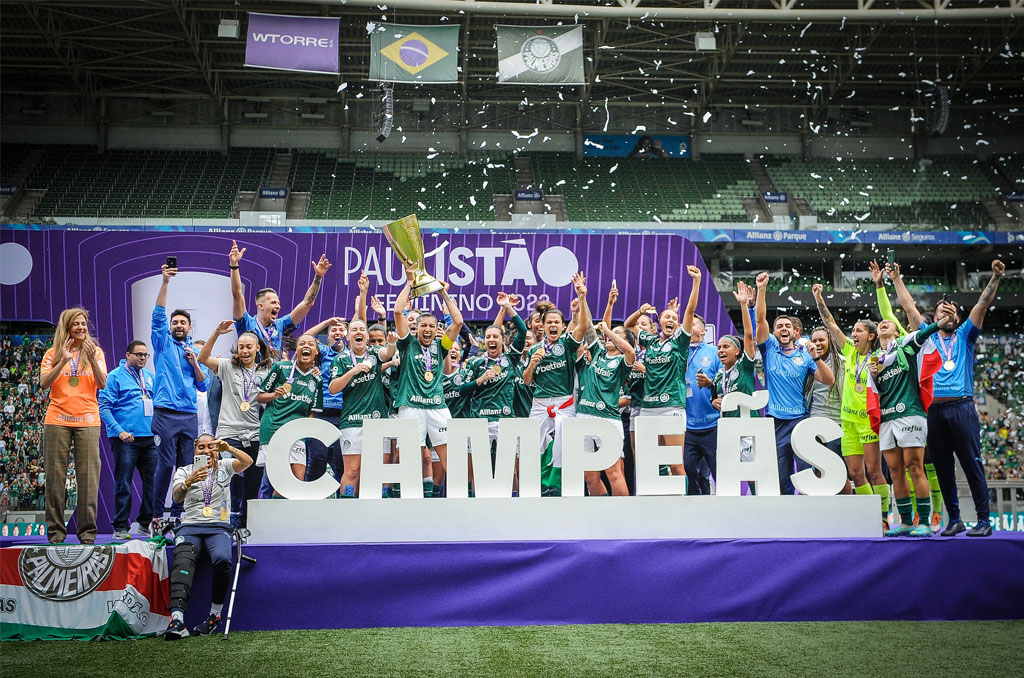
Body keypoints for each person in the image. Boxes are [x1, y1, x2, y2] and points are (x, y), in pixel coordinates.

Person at [889, 259, 1005, 537]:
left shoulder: (965, 334)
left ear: (957, 317)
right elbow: (908, 307)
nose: (948, 312)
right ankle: (955, 520)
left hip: (962, 407)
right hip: (933, 412)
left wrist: (996, 277)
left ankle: (984, 520)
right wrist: (896, 279)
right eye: (943, 310)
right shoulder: (927, 335)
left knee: (971, 462)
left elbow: (982, 305)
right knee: (942, 468)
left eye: (952, 310)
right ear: (936, 316)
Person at [867, 303, 953, 538]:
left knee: (915, 467)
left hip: (910, 414)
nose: (883, 323)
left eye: (889, 323)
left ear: (897, 332)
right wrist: (873, 376)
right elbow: (873, 394)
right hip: (887, 418)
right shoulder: (875, 359)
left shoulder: (905, 346)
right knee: (895, 472)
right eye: (880, 323)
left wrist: (939, 324)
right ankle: (905, 521)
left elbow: (923, 333)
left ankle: (924, 521)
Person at [163, 434, 253, 639]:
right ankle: (177, 620)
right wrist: (188, 482)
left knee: (222, 559)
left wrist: (228, 448)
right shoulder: (185, 470)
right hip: (190, 527)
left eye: (211, 447)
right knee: (183, 563)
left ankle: (214, 616)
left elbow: (248, 462)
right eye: (201, 447)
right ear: (195, 451)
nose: (206, 451)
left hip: (218, 526)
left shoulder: (225, 465)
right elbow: (176, 497)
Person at [755, 272, 835, 495]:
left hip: (800, 420)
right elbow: (760, 319)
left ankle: (808, 516)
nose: (783, 329)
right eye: (779, 326)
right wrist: (762, 289)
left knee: (805, 473)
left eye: (787, 326)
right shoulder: (769, 348)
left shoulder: (805, 355)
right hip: (775, 421)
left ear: (794, 332)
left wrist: (817, 356)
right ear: (774, 332)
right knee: (781, 476)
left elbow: (829, 380)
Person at [624, 266, 703, 482]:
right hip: (648, 409)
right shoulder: (649, 341)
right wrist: (641, 312)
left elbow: (689, 310)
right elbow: (628, 325)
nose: (670, 319)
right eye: (666, 317)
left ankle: (681, 508)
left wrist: (696, 282)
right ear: (659, 322)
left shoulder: (679, 342)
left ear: (677, 325)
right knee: (647, 462)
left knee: (676, 465)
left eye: (674, 318)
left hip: (672, 408)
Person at [391, 265, 464, 497]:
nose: (428, 329)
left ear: (436, 329)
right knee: (411, 459)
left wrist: (442, 293)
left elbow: (459, 321)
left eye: (432, 326)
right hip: (410, 406)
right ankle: (411, 503)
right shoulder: (407, 343)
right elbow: (397, 312)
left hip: (436, 406)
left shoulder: (441, 347)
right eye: (423, 325)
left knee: (450, 457)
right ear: (417, 328)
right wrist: (409, 283)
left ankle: (459, 501)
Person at [814, 284, 888, 506]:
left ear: (871, 336)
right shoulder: (849, 350)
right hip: (847, 422)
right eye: (853, 330)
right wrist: (818, 298)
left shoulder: (881, 358)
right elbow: (830, 324)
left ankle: (883, 516)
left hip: (868, 421)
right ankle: (866, 513)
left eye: (859, 331)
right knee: (856, 474)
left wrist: (877, 376)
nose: (853, 334)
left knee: (874, 472)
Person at [38, 308, 108, 544]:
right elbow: (44, 384)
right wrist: (64, 359)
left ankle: (87, 535)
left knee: (88, 478)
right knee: (55, 479)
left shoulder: (96, 352)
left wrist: (93, 362)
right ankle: (56, 535)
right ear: (66, 327)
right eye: (75, 324)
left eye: (83, 324)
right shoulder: (52, 353)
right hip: (57, 420)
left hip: (87, 420)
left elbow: (103, 384)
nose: (81, 328)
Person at [195, 322, 272, 527]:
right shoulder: (228, 366)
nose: (244, 350)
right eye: (241, 346)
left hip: (254, 434)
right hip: (228, 433)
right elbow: (202, 358)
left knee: (253, 482)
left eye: (249, 346)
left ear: (257, 348)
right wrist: (216, 333)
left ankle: (247, 523)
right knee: (226, 479)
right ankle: (224, 521)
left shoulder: (266, 372)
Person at [524, 274, 591, 495]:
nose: (553, 325)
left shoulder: (567, 343)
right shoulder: (535, 350)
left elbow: (583, 327)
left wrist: (581, 297)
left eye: (556, 322)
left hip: (565, 402)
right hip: (539, 403)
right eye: (549, 322)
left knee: (565, 439)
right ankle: (539, 483)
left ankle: (558, 484)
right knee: (531, 444)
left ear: (562, 326)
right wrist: (532, 365)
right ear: (541, 326)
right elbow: (527, 381)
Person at [151, 264, 208, 521]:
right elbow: (158, 315)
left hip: (188, 415)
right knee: (164, 466)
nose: (178, 325)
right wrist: (165, 283)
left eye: (182, 323)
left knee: (186, 468)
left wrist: (195, 362)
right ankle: (155, 516)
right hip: (165, 414)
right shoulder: (162, 343)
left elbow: (203, 385)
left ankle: (179, 514)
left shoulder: (194, 353)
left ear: (189, 328)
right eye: (174, 322)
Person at [465, 293, 527, 492]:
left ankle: (512, 506)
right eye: (488, 337)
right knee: (477, 469)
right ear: (485, 341)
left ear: (502, 340)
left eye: (496, 336)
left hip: (504, 420)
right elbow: (460, 390)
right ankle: (477, 506)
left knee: (510, 469)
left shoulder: (511, 359)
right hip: (479, 420)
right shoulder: (476, 362)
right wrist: (479, 381)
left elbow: (523, 330)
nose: (492, 339)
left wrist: (508, 308)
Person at [328, 319, 396, 498]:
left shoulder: (374, 353)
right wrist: (353, 371)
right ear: (348, 336)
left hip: (378, 421)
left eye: (361, 329)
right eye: (353, 330)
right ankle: (347, 510)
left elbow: (388, 352)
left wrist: (392, 343)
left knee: (382, 471)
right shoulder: (341, 359)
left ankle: (382, 513)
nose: (358, 332)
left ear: (366, 335)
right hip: (352, 421)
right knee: (352, 471)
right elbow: (333, 388)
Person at [228, 240, 332, 356]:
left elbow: (307, 303)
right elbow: (237, 295)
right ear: (261, 305)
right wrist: (234, 265)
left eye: (278, 303)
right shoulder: (246, 323)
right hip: (251, 373)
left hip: (274, 373)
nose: (278, 306)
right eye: (273, 302)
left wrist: (318, 277)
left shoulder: (280, 325)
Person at [98, 340, 157, 540]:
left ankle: (144, 523)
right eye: (139, 354)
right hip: (126, 440)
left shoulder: (149, 377)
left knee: (153, 483)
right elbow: (103, 408)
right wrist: (119, 430)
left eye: (145, 355)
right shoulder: (114, 377)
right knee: (124, 483)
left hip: (149, 439)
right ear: (128, 355)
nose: (142, 358)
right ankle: (121, 527)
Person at [255, 334, 323, 497]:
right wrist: (274, 395)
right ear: (297, 350)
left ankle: (284, 517)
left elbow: (312, 411)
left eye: (311, 344)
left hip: (297, 433)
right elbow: (260, 397)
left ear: (316, 352)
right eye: (302, 343)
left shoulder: (317, 379)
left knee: (297, 480)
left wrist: (303, 432)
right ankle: (270, 517)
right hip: (274, 428)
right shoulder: (280, 368)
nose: (306, 346)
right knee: (278, 480)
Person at [575, 321, 635, 496]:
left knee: (613, 473)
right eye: (609, 334)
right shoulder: (599, 353)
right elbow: (587, 326)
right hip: (583, 416)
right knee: (590, 477)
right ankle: (601, 513)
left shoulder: (623, 361)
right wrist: (582, 297)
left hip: (607, 419)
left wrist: (608, 330)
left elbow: (630, 351)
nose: (609, 336)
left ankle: (623, 516)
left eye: (618, 334)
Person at [304, 314, 349, 488]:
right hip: (321, 414)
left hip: (345, 414)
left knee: (341, 463)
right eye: (333, 330)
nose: (337, 332)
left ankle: (341, 506)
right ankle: (311, 504)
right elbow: (305, 338)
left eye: (341, 329)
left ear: (347, 333)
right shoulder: (322, 352)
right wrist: (325, 322)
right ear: (328, 335)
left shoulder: (352, 354)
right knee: (316, 459)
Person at [684, 313, 721, 495]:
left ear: (704, 330)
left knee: (714, 473)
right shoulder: (679, 351)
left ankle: (716, 507)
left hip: (712, 424)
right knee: (688, 470)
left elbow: (724, 380)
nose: (689, 326)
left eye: (694, 324)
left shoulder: (715, 352)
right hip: (686, 426)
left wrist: (711, 382)